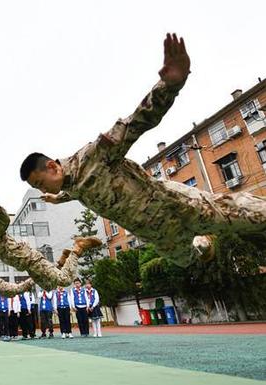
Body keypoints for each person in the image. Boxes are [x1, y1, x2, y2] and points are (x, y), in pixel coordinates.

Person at [19, 34, 266, 267]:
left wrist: (170, 85)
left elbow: (137, 122)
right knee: (186, 258)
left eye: (42, 183)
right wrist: (57, 198)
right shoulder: (68, 184)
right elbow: (77, 190)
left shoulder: (94, 156)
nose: (44, 189)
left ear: (52, 166)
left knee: (254, 216)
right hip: (157, 233)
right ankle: (203, 243)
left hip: (175, 206)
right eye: (39, 188)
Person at [0, 197, 101, 291]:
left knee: (64, 280)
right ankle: (61, 262)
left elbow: (3, 221)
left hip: (33, 260)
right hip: (28, 267)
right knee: (49, 286)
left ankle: (78, 247)